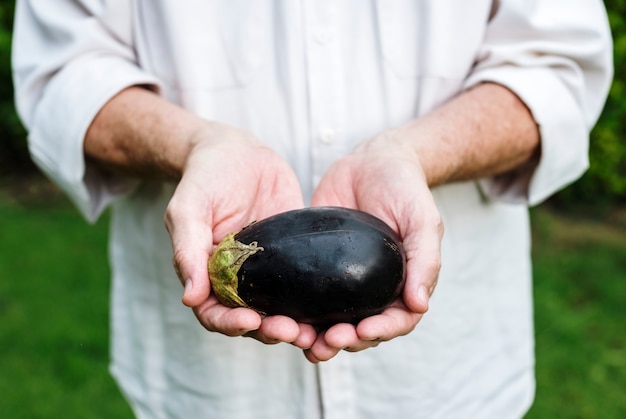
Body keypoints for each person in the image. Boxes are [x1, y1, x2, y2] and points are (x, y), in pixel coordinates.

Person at [12, 1, 612, 418]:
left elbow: (556, 70)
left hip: (449, 382)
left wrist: (416, 153)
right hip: (207, 392)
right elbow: (63, 75)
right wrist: (193, 145)